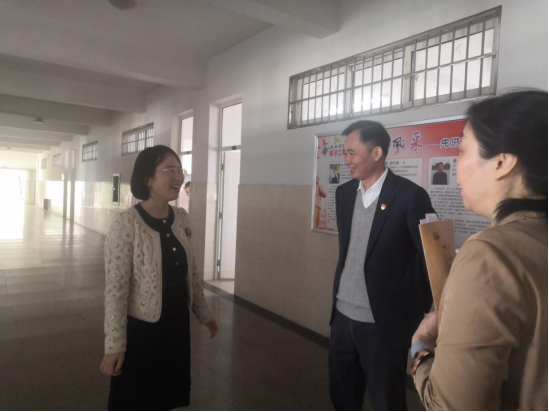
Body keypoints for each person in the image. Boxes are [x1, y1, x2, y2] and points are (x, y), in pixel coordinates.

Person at [412, 91, 548, 411]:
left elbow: (449, 406)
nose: (454, 165)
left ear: (502, 162)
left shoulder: (490, 254)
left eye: (461, 151)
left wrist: (421, 347)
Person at [100, 146, 219, 411]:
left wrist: (203, 312)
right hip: (142, 329)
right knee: (137, 397)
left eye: (180, 169)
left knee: (166, 394)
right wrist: (114, 345)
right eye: (169, 169)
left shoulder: (182, 218)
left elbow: (192, 271)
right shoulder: (126, 223)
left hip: (176, 322)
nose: (178, 176)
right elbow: (115, 291)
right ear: (148, 179)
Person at [330, 120, 435, 411]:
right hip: (342, 318)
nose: (346, 160)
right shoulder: (344, 194)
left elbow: (431, 260)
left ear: (377, 153)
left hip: (384, 326)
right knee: (342, 397)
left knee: (386, 401)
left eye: (352, 153)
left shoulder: (410, 196)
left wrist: (414, 311)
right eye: (344, 153)